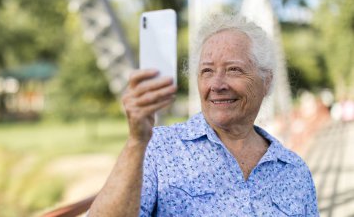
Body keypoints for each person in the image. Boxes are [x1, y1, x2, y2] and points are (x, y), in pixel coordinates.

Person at [88, 13, 319, 216]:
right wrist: (137, 142)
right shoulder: (157, 148)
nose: (217, 84)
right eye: (207, 71)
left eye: (233, 69)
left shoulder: (294, 170)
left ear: (266, 82)